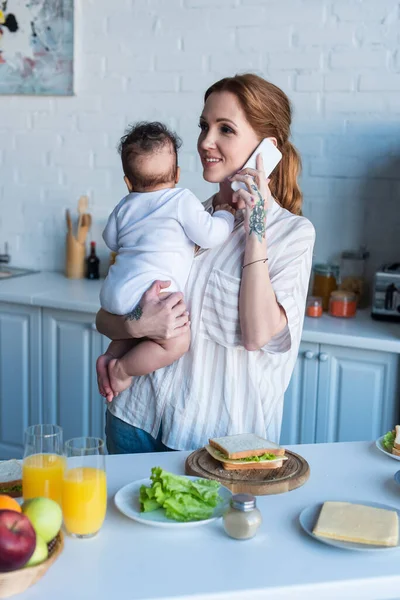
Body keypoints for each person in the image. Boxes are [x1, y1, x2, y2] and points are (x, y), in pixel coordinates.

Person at [96, 73, 316, 454]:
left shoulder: (293, 235)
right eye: (204, 125)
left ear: (267, 148)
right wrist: (139, 323)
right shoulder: (183, 216)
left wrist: (255, 226)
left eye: (225, 129)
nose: (204, 142)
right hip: (135, 419)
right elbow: (103, 318)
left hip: (216, 445)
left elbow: (257, 334)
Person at [97, 121, 235, 402]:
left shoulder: (124, 205)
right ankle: (121, 370)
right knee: (176, 342)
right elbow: (211, 235)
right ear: (177, 175)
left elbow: (111, 239)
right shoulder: (182, 199)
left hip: (115, 293)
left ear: (127, 181)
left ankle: (110, 356)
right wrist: (224, 215)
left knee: (138, 334)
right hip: (153, 293)